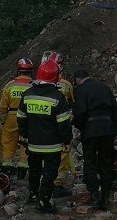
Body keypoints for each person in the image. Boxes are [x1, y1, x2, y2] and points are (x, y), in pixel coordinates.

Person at [17, 60, 73, 213]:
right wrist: (67, 141)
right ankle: (43, 201)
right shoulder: (58, 96)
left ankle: (33, 195)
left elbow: (21, 117)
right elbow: (63, 123)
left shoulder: (27, 94)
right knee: (49, 173)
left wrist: (25, 134)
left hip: (33, 143)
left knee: (34, 170)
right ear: (56, 78)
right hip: (52, 145)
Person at [72, 69, 117, 210]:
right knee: (105, 161)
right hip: (108, 129)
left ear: (77, 79)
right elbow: (115, 111)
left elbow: (79, 113)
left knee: (90, 162)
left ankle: (94, 194)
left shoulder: (80, 90)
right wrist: (114, 127)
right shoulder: (104, 87)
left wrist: (79, 126)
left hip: (91, 129)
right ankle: (105, 195)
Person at [41, 51, 76, 197]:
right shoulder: (66, 85)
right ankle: (56, 183)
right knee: (63, 153)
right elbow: (72, 104)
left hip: (44, 125)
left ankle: (46, 182)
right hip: (61, 124)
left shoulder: (38, 85)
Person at [0, 57, 34, 178]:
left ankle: (7, 166)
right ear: (31, 71)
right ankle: (23, 168)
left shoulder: (10, 85)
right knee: (26, 141)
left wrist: (3, 119)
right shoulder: (33, 85)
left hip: (12, 116)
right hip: (29, 117)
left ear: (18, 71)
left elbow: (3, 106)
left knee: (8, 141)